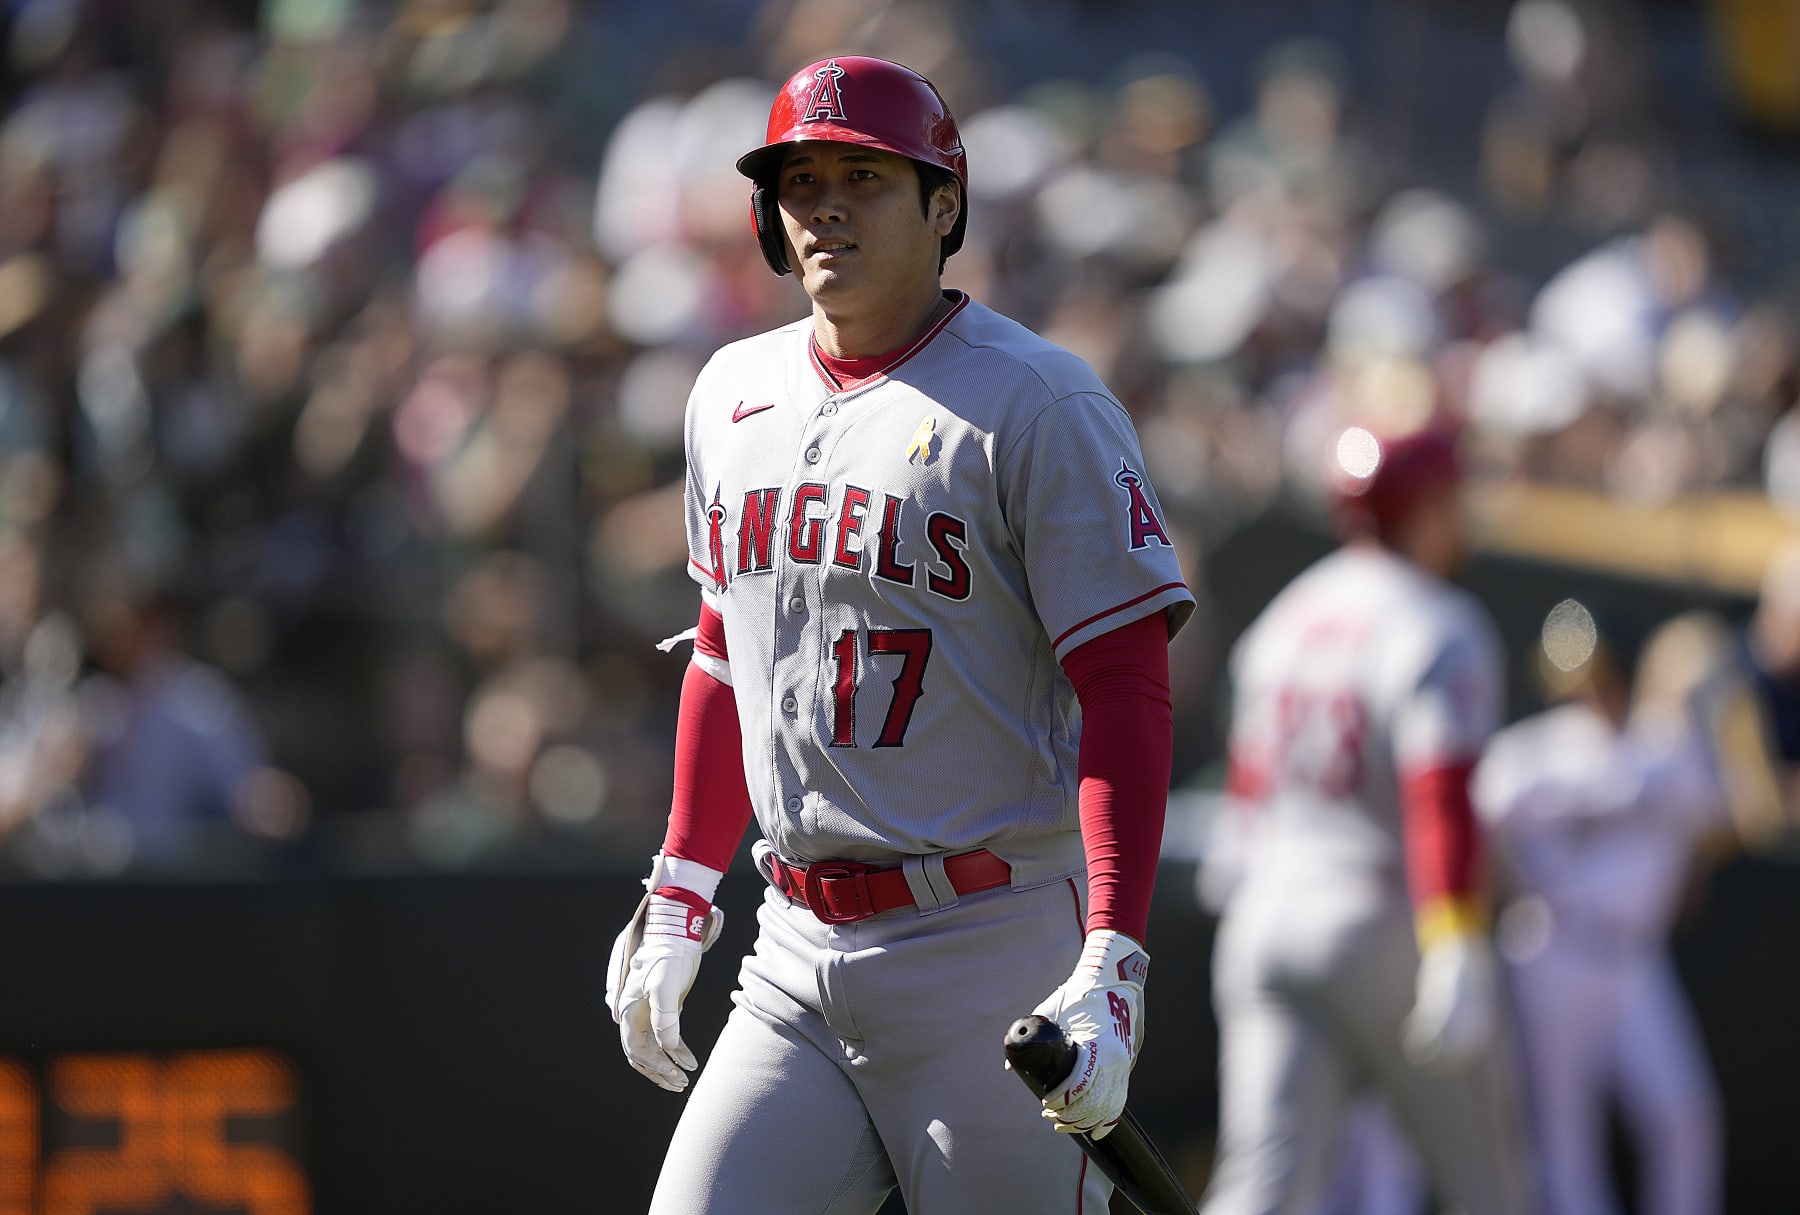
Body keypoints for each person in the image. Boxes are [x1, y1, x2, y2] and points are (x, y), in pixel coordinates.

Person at [603, 55, 1196, 1214]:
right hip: (792, 952)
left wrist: (1114, 956)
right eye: (800, 179)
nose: (824, 204)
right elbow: (727, 653)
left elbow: (1126, 688)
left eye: (864, 177)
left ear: (943, 205)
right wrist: (682, 881)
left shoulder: (1042, 401)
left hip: (992, 944)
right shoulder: (729, 393)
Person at [1198, 422, 1531, 1215]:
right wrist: (1455, 939)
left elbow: (1246, 789)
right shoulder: (1437, 620)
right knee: (1492, 1183)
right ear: (1425, 507)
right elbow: (1439, 793)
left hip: (1265, 918)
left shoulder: (1289, 612)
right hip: (1381, 919)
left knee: (1263, 1189)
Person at [1474, 602, 1729, 1215]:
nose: (1588, 686)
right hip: (1555, 949)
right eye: (1574, 675)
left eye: (1597, 671)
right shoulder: (1530, 753)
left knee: (1684, 1113)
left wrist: (1685, 872)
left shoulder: (1668, 747)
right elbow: (1474, 825)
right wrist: (1508, 886)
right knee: (1563, 1133)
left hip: (1635, 958)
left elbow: (1721, 820)